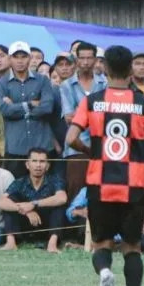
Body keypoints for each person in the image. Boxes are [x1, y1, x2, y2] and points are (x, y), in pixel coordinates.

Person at [66, 45, 144, 286]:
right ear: (131, 69)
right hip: (133, 185)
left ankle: (106, 272)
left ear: (104, 68)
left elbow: (71, 138)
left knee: (102, 244)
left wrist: (90, 149)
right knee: (132, 247)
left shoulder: (92, 100)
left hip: (100, 183)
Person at [0, 41, 55, 179]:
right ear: (10, 59)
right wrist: (30, 105)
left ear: (29, 58)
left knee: (44, 192)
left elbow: (47, 107)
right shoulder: (2, 83)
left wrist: (15, 106)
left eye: (23, 56)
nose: (20, 61)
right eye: (16, 57)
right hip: (16, 148)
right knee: (14, 193)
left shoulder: (42, 80)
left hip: (42, 147)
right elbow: (4, 110)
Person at [59, 41, 108, 203]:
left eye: (89, 58)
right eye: (82, 58)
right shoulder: (66, 85)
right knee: (75, 193)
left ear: (95, 59)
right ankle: (76, 229)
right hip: (76, 148)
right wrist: (97, 116)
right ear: (76, 59)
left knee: (102, 192)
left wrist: (82, 117)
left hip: (103, 147)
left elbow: (110, 116)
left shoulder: (105, 84)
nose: (86, 62)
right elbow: (68, 117)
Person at [0, 148, 67, 253]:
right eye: (34, 161)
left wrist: (33, 204)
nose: (38, 165)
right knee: (11, 200)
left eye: (42, 161)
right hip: (25, 227)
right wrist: (25, 210)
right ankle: (10, 242)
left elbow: (62, 198)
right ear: (27, 165)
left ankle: (52, 244)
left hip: (47, 226)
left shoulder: (55, 180)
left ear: (47, 166)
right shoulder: (20, 182)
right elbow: (0, 202)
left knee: (58, 205)